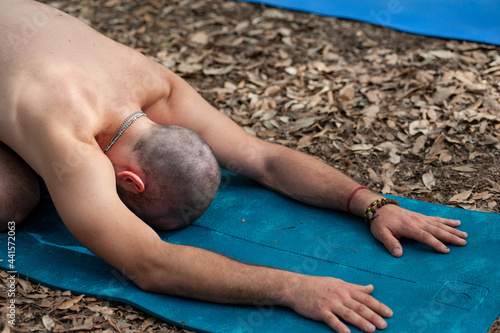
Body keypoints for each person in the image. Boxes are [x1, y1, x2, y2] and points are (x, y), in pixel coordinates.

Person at [0, 1, 468, 332]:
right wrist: (293, 288)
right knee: (13, 200)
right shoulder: (76, 144)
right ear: (128, 181)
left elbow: (262, 157)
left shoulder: (154, 88)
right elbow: (149, 264)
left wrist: (371, 203)